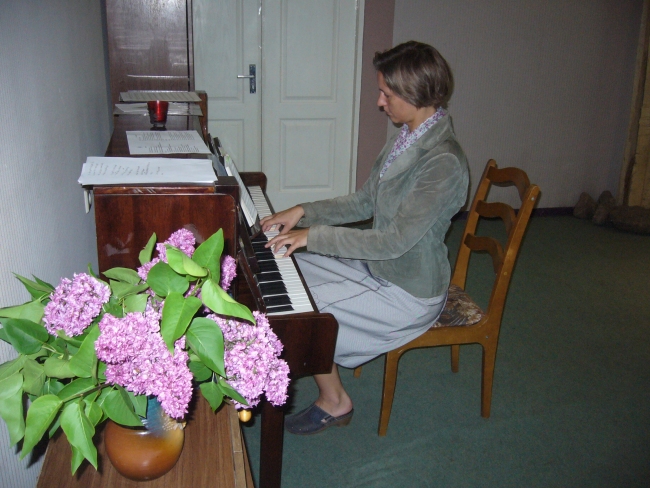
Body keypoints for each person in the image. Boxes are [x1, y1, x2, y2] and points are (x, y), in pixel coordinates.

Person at [260, 41, 469, 435]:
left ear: (415, 94)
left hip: (408, 291)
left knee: (302, 313)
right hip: (380, 268)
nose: (379, 102)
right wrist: (302, 211)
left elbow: (393, 241)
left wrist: (314, 236)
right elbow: (364, 201)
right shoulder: (406, 137)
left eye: (387, 94)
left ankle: (335, 401)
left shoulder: (443, 162)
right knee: (289, 269)